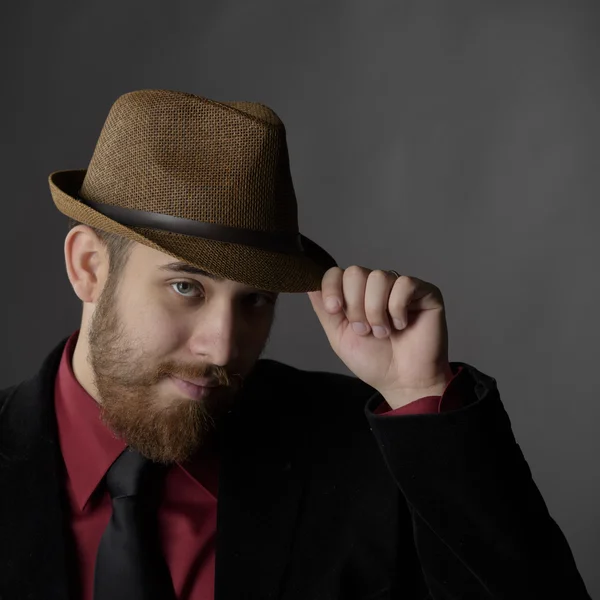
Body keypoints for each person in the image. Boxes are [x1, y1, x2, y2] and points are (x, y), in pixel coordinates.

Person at [0, 89, 590, 600]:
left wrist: (418, 394)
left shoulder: (369, 450)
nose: (224, 347)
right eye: (186, 287)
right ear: (88, 268)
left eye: (256, 300)